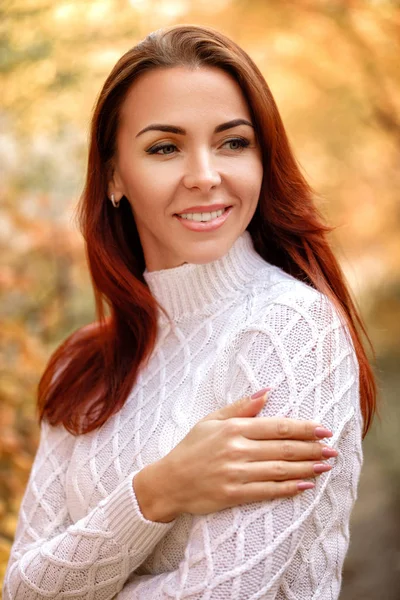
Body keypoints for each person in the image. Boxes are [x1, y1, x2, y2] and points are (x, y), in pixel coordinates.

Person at [3, 24, 376, 600]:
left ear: (262, 159)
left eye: (233, 142)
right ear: (113, 177)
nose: (205, 176)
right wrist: (158, 492)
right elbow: (20, 586)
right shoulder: (85, 364)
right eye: (164, 147)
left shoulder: (291, 330)